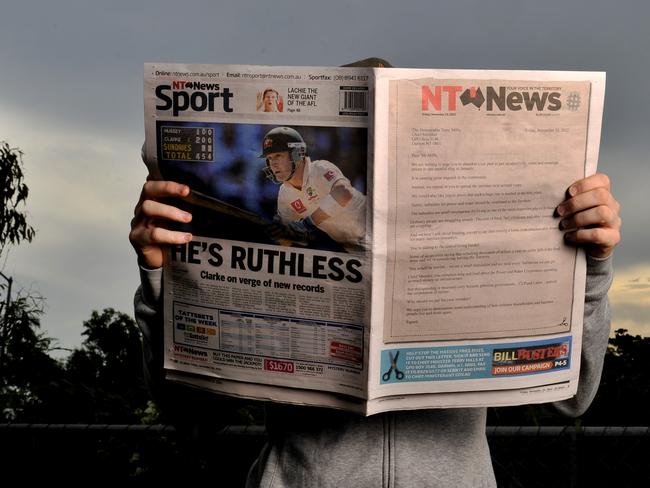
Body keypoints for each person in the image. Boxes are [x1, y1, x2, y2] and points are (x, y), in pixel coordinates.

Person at [130, 170, 620, 487]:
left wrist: (592, 267)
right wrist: (162, 281)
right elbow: (189, 413)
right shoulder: (288, 207)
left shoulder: (465, 247)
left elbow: (570, 397)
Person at [260, 126, 367, 251]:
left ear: (297, 154)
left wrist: (308, 223)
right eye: (269, 158)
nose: (273, 163)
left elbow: (344, 193)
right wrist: (279, 234)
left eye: (278, 155)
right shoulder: (285, 194)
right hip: (355, 250)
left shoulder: (320, 169)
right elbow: (291, 240)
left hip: (375, 226)